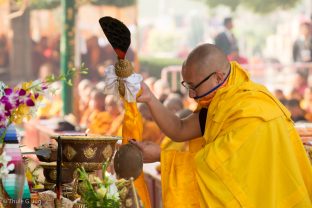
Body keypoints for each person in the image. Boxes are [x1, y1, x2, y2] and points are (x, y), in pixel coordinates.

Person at [131, 43, 312, 207]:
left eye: (194, 86)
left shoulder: (250, 108)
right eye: (187, 86)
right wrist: (149, 98)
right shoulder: (222, 100)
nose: (191, 95)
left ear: (218, 77)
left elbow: (216, 166)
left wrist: (162, 156)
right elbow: (180, 128)